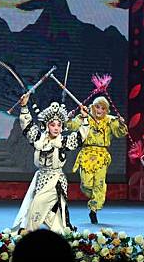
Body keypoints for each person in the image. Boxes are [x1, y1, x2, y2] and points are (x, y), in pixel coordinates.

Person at [12, 94, 89, 233]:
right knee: (51, 217)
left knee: (38, 205)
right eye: (53, 124)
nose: (56, 128)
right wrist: (24, 106)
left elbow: (80, 136)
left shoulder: (63, 141)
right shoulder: (39, 139)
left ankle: (28, 232)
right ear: (47, 125)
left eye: (59, 125)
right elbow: (27, 125)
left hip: (56, 180)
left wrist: (84, 118)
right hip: (40, 178)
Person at [66, 96, 127, 224]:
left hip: (101, 155)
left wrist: (121, 123)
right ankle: (95, 197)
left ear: (106, 110)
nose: (99, 110)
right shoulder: (85, 117)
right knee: (86, 184)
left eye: (103, 108)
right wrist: (70, 117)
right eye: (97, 107)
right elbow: (71, 126)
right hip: (86, 153)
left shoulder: (110, 121)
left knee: (99, 184)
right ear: (93, 107)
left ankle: (93, 209)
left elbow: (120, 133)